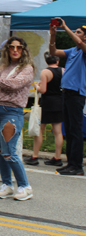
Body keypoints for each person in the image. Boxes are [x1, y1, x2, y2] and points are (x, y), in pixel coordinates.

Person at [0, 37, 34, 201]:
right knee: (0, 150)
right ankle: (7, 185)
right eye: (11, 47)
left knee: (9, 152)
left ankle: (25, 186)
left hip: (12, 112)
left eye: (19, 47)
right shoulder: (4, 67)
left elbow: (13, 85)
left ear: (24, 50)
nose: (15, 50)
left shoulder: (27, 68)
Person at [49, 18, 86, 176]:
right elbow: (53, 52)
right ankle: (70, 163)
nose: (76, 33)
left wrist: (65, 27)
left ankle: (77, 166)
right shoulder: (73, 50)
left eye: (79, 32)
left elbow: (80, 42)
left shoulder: (84, 49)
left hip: (77, 94)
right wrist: (53, 35)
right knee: (69, 130)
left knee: (76, 130)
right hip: (66, 92)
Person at [25, 52, 64, 166]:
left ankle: (35, 156)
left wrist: (37, 86)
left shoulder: (45, 72)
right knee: (58, 131)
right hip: (59, 101)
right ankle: (57, 157)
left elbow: (43, 90)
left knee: (40, 130)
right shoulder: (63, 70)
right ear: (57, 61)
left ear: (47, 61)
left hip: (47, 103)